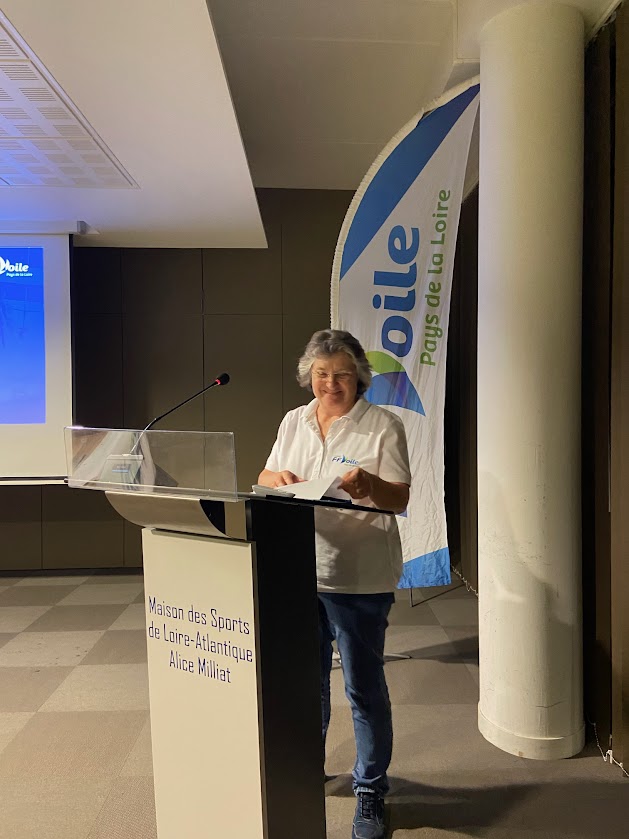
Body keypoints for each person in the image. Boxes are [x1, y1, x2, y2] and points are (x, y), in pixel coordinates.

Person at [258, 329, 411, 839]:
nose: (330, 384)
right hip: (297, 571)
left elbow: (400, 498)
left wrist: (369, 485)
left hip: (359, 577)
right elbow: (267, 474)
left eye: (341, 374)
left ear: (359, 377)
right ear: (309, 375)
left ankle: (370, 791)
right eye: (321, 374)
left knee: (362, 688)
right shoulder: (293, 420)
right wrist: (275, 479)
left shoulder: (383, 425)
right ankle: (308, 768)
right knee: (306, 685)